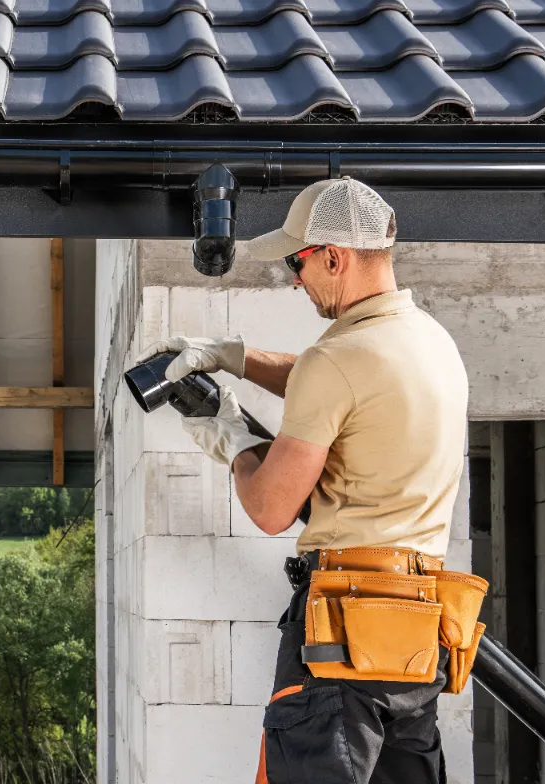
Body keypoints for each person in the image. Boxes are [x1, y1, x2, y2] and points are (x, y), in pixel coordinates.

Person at [132, 177, 469, 783]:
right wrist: (228, 354)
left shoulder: (337, 360)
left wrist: (230, 436)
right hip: (416, 638)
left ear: (334, 257)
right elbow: (344, 391)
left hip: (339, 638)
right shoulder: (430, 343)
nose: (293, 277)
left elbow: (270, 508)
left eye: (298, 260)